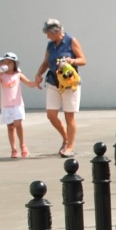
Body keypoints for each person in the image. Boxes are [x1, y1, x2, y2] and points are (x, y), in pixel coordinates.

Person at [34, 19, 86, 158]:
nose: (47, 37)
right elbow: (46, 62)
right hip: (53, 81)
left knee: (69, 115)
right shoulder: (50, 45)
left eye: (49, 34)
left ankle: (69, 147)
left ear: (56, 32)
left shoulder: (71, 41)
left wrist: (72, 61)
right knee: (51, 115)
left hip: (69, 83)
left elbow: (83, 60)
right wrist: (39, 74)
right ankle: (65, 137)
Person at [0, 53, 36, 158]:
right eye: (4, 62)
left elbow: (29, 84)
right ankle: (13, 149)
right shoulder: (2, 76)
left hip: (17, 104)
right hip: (6, 105)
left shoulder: (18, 75)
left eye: (9, 62)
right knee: (10, 127)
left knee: (18, 124)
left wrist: (36, 82)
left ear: (14, 64)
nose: (6, 64)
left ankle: (23, 146)